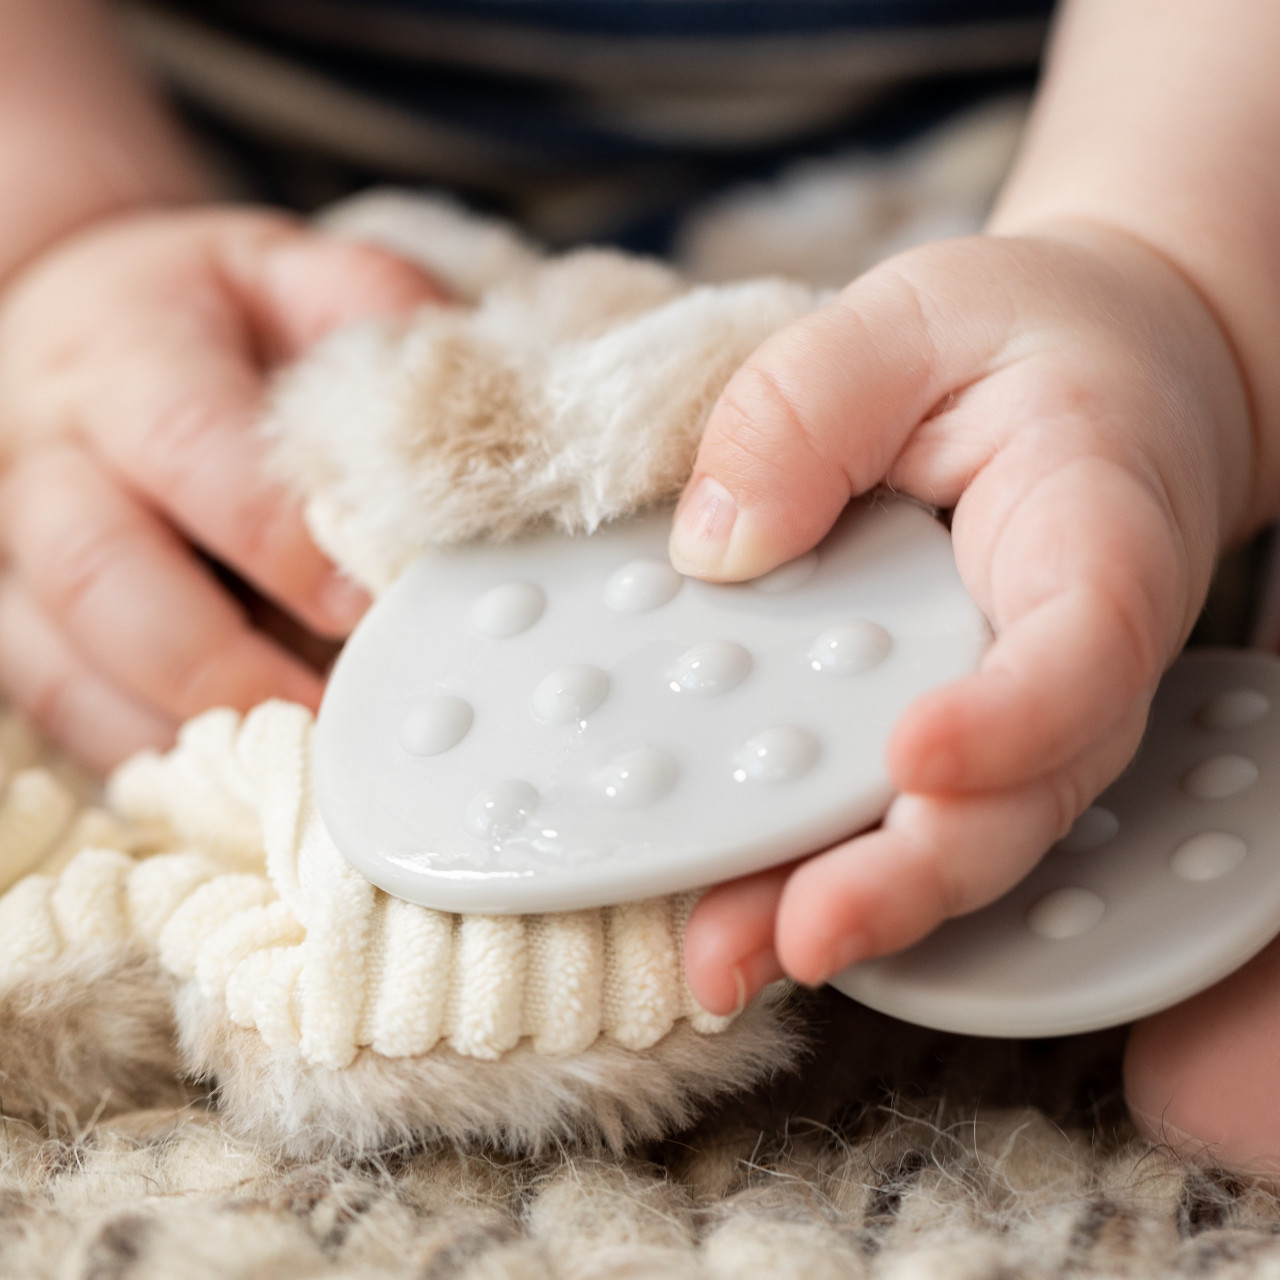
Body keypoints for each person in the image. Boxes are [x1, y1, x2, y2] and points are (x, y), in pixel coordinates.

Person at [0, 0, 1277, 1175]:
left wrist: (1179, 286)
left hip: (1104, 132)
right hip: (250, 185)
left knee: (1147, 416)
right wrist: (57, 237)